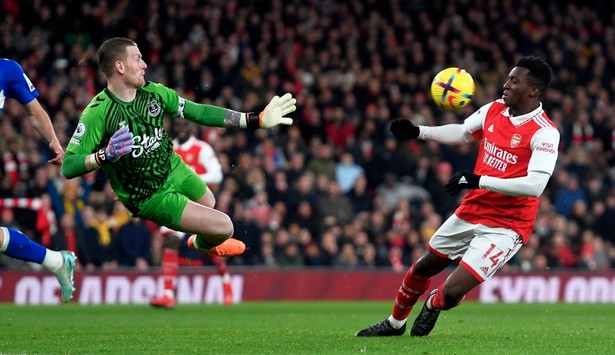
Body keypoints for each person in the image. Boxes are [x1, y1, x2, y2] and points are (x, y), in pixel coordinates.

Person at [356, 56, 559, 337]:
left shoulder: (545, 133)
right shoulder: (494, 110)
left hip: (507, 224)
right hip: (473, 208)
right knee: (424, 266)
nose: (506, 84)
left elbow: (535, 185)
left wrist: (479, 180)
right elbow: (463, 133)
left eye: (514, 80)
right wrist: (419, 131)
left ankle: (433, 304)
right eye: (508, 78)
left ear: (533, 90)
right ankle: (394, 323)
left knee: (451, 291)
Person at [61, 38, 295, 266]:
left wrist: (255, 119)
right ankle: (201, 244)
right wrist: (105, 155)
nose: (144, 64)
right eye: (138, 58)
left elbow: (198, 112)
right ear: (120, 67)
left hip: (173, 166)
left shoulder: (154, 93)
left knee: (209, 200)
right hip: (150, 196)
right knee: (225, 227)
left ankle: (200, 240)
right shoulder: (98, 113)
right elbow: (68, 166)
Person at [0, 58, 76, 302]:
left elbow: (34, 110)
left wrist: (54, 142)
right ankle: (55, 261)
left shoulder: (8, 69)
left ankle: (56, 261)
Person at [150, 119, 234, 309]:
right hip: (177, 203)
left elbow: (217, 175)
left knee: (210, 245)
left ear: (191, 127)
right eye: (177, 126)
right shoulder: (168, 147)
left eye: (184, 126)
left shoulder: (202, 148)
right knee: (170, 240)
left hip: (200, 202)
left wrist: (190, 178)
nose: (180, 129)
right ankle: (168, 294)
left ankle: (226, 282)